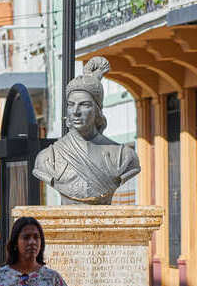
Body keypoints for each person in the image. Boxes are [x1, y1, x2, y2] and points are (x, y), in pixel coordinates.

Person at [33, 57, 140, 204]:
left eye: (84, 105)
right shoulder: (48, 158)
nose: (76, 111)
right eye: (71, 105)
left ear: (97, 110)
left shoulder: (124, 156)